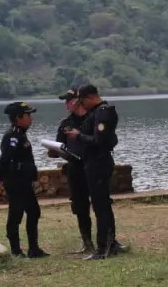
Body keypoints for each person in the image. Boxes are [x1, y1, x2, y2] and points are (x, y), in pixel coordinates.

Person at [65, 84, 121, 260]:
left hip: (98, 163)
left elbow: (100, 141)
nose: (82, 105)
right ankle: (109, 244)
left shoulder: (103, 112)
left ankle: (103, 247)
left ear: (90, 97)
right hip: (93, 162)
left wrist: (78, 136)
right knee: (101, 205)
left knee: (100, 206)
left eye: (82, 101)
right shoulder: (95, 113)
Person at [0, 102, 48, 258]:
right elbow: (5, 158)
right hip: (16, 181)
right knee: (16, 216)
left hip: (24, 181)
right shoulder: (12, 136)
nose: (31, 119)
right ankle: (16, 251)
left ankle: (34, 249)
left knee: (33, 212)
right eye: (28, 115)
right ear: (18, 118)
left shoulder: (20, 134)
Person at [51, 89, 95, 255]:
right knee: (79, 206)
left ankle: (109, 240)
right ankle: (87, 242)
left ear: (78, 100)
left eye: (69, 100)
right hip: (75, 168)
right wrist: (53, 151)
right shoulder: (65, 123)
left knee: (101, 204)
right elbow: (60, 145)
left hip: (93, 166)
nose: (66, 104)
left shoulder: (93, 118)